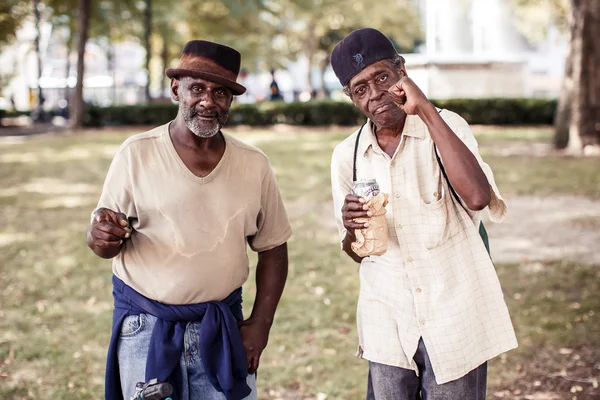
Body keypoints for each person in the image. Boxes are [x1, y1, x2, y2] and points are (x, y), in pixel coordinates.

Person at [86, 40, 292, 400]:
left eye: (221, 93)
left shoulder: (254, 164)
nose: (209, 101)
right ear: (176, 89)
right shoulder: (136, 154)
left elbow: (274, 248)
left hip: (222, 328)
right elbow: (103, 243)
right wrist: (100, 236)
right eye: (197, 88)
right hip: (146, 330)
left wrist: (260, 325)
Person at [329, 28, 517, 399]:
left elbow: (478, 197)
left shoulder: (446, 126)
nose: (375, 94)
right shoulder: (348, 155)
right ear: (350, 98)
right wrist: (353, 230)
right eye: (360, 89)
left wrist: (426, 110)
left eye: (381, 77)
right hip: (388, 322)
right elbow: (355, 252)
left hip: (453, 315)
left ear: (402, 69)